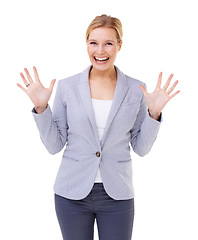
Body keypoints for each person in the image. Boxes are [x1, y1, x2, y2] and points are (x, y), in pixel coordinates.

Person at [17, 14, 180, 240]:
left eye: (108, 43)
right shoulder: (67, 87)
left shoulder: (137, 89)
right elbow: (54, 146)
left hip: (117, 195)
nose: (100, 51)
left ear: (119, 45)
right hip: (71, 194)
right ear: (86, 44)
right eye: (93, 43)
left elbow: (141, 148)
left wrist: (154, 114)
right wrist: (41, 108)